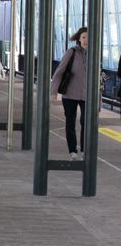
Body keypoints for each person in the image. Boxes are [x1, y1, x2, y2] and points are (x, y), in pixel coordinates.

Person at [50, 26, 87, 160]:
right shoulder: (71, 52)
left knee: (86, 122)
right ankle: (72, 150)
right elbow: (59, 71)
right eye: (83, 37)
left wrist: (98, 99)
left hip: (87, 96)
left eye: (88, 37)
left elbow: (98, 78)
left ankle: (84, 150)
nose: (86, 40)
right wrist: (53, 91)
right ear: (78, 38)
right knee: (70, 122)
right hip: (70, 95)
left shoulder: (94, 54)